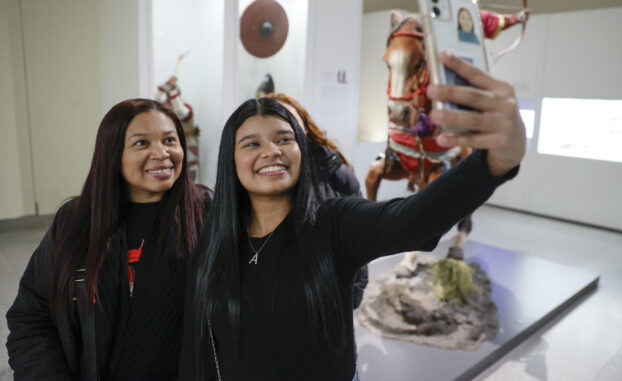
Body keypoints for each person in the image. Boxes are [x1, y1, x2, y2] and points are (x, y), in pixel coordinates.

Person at [179, 52, 525, 380]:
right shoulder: (215, 242)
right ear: (231, 160)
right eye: (251, 144)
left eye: (284, 139)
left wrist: (494, 163)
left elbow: (411, 218)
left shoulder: (334, 225)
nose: (271, 150)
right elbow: (198, 349)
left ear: (303, 150)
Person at [6, 99, 211, 380]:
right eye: (142, 143)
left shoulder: (208, 213)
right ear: (112, 154)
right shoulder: (76, 221)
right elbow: (33, 317)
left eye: (169, 140)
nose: (162, 153)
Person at [265, 92, 368, 309]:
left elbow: (360, 239)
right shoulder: (255, 180)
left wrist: (351, 295)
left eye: (291, 122)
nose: (285, 132)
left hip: (329, 305)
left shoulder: (337, 176)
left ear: (306, 128)